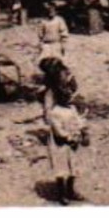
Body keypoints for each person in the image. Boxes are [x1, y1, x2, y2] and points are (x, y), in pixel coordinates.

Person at [39, 57, 86, 204]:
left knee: (74, 163)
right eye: (62, 74)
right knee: (61, 164)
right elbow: (48, 113)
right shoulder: (51, 93)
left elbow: (78, 116)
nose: (65, 74)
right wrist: (54, 126)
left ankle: (71, 190)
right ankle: (61, 193)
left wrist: (81, 130)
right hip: (59, 132)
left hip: (71, 127)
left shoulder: (67, 88)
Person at [38, 1, 69, 66]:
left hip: (56, 44)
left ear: (56, 12)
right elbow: (40, 34)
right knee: (45, 62)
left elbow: (64, 33)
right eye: (49, 11)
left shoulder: (59, 20)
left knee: (58, 62)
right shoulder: (43, 21)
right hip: (46, 44)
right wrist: (41, 44)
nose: (51, 13)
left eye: (53, 11)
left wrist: (63, 44)